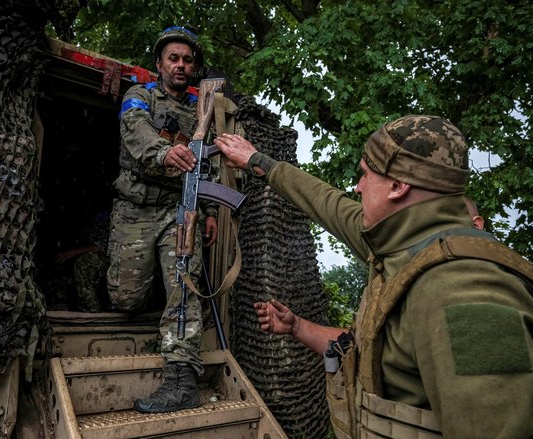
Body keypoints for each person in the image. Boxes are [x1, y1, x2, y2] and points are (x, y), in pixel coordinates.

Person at [213, 116, 533, 438]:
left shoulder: (462, 288)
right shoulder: (398, 243)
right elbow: (327, 203)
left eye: (366, 175)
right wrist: (259, 162)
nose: (357, 187)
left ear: (397, 186)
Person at [107, 26, 218, 413]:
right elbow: (134, 131)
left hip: (178, 209)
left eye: (187, 60)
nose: (181, 65)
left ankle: (181, 378)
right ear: (160, 64)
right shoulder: (139, 96)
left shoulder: (203, 109)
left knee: (184, 277)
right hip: (134, 210)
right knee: (125, 298)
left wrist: (208, 212)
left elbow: (211, 169)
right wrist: (163, 152)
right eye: (173, 58)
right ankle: (151, 286)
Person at [55, 211, 110, 313]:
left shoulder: (103, 218)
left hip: (107, 262)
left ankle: (91, 309)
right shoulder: (76, 222)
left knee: (84, 262)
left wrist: (74, 252)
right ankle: (60, 304)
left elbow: (101, 247)